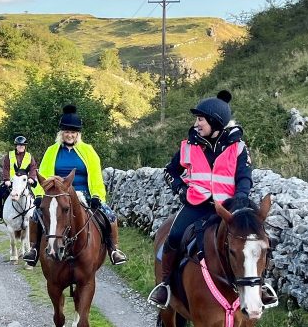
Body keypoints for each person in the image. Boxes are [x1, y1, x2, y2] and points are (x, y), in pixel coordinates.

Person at [147, 90, 251, 309]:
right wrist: (181, 190)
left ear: (214, 122)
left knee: (253, 241)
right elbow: (170, 171)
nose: (196, 123)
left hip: (228, 209)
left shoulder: (238, 147)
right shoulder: (189, 145)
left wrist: (240, 200)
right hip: (197, 205)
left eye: (200, 119)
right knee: (174, 236)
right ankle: (165, 285)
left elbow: (244, 178)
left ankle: (259, 288)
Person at [22, 104, 127, 267]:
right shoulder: (51, 151)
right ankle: (34, 249)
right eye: (66, 132)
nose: (69, 135)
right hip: (56, 195)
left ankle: (114, 249)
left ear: (77, 134)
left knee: (110, 215)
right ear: (61, 133)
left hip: (84, 194)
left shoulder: (88, 151)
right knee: (34, 215)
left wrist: (97, 196)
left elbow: (96, 175)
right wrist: (39, 196)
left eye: (72, 132)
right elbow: (42, 174)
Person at [0, 135, 38, 222]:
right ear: (16, 146)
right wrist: (6, 179)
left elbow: (33, 168)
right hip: (11, 182)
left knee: (36, 197)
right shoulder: (9, 156)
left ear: (25, 146)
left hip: (24, 182)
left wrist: (31, 178)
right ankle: (0, 212)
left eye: (22, 145)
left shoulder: (29, 156)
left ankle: (35, 215)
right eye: (19, 145)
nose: (21, 146)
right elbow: (6, 168)